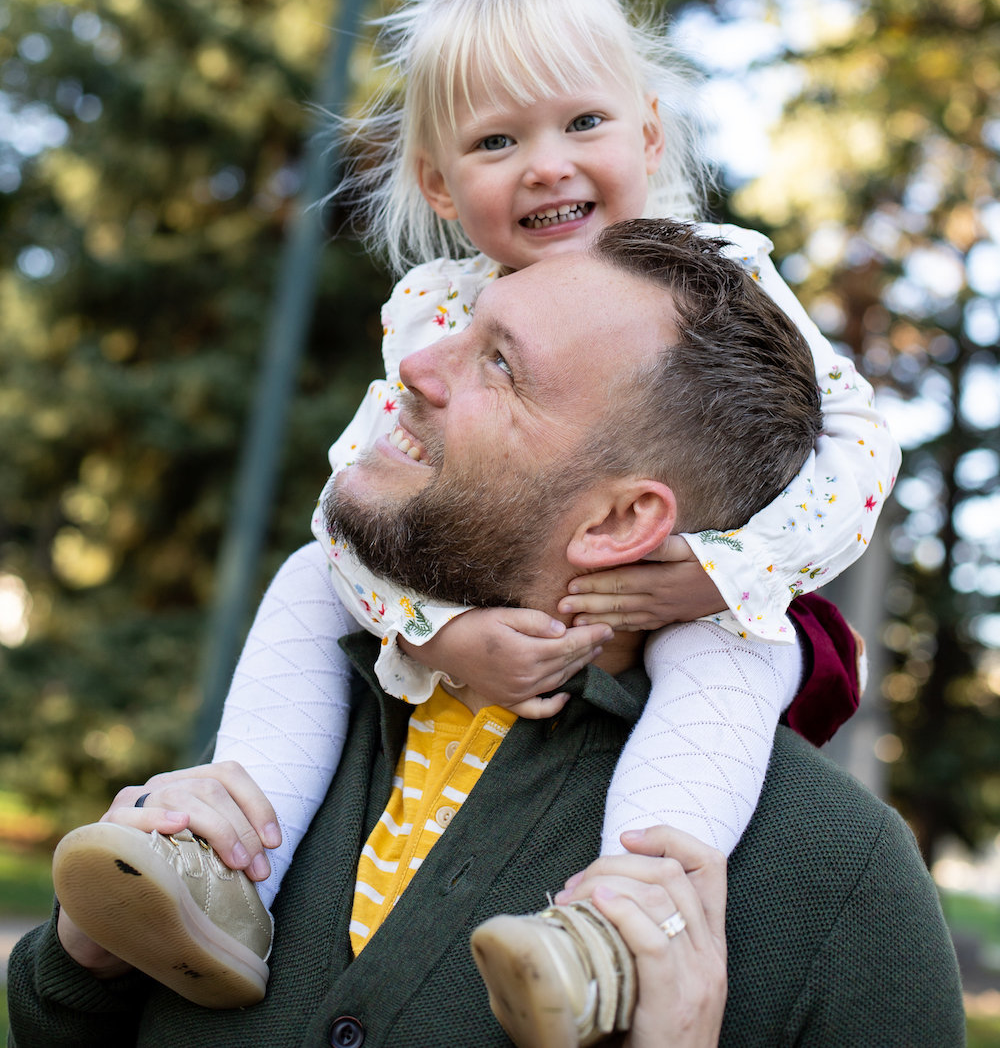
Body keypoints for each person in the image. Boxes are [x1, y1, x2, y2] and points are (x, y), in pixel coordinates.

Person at [47, 0, 893, 1025]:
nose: (547, 164)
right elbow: (355, 502)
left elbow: (857, 445)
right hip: (466, 580)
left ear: (647, 133)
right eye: (497, 144)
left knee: (744, 646)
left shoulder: (718, 283)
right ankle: (230, 853)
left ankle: (630, 916)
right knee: (309, 581)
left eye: (582, 121)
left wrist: (727, 567)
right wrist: (433, 631)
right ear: (440, 185)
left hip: (679, 573)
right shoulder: (435, 313)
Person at [8, 224, 963, 1048]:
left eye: (499, 363)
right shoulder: (303, 724)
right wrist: (82, 966)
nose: (414, 365)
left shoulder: (839, 880)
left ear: (619, 522)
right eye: (463, 326)